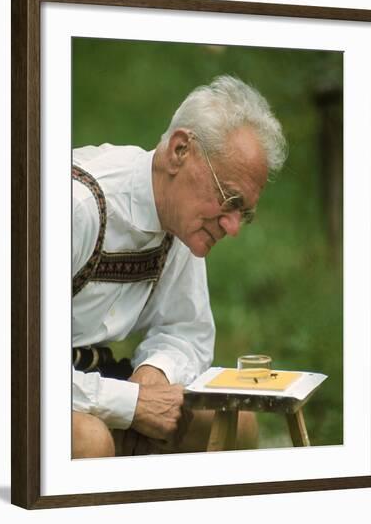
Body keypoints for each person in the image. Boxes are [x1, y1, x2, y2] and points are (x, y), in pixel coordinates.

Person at [72, 74, 287, 458]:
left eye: (244, 213)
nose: (232, 227)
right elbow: (8, 360)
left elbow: (186, 332)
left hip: (93, 379)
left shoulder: (181, 221)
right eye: (229, 199)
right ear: (179, 150)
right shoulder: (77, 205)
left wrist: (153, 375)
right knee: (89, 441)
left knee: (232, 423)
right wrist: (130, 403)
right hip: (15, 386)